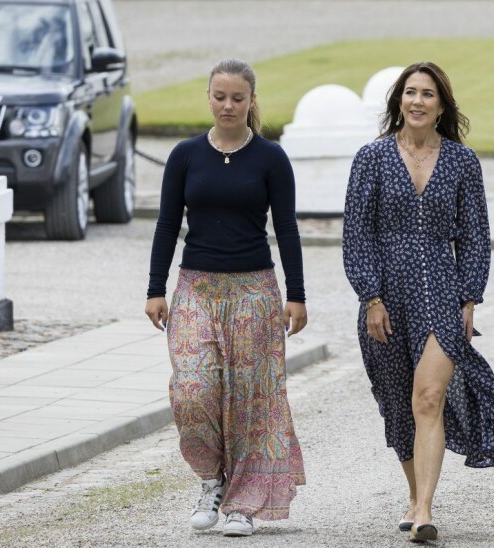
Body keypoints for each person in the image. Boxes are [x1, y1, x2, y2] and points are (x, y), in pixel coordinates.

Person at [342, 61, 494, 542]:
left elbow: (475, 235)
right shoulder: (371, 158)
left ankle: (425, 510)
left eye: (427, 94)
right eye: (409, 92)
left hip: (440, 294)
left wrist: (470, 297)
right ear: (398, 101)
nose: (417, 101)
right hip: (385, 296)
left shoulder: (461, 162)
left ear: (441, 105)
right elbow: (356, 235)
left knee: (428, 397)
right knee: (399, 405)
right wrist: (370, 295)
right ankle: (414, 495)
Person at [145, 58, 308, 538]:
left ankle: (243, 502)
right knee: (193, 392)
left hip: (254, 290)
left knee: (249, 400)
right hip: (196, 287)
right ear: (209, 97)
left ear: (252, 100)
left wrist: (296, 295)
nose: (228, 106)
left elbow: (287, 228)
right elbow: (166, 224)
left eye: (238, 98)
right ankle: (211, 479)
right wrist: (156, 288)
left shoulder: (271, 158)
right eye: (220, 97)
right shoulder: (185, 155)